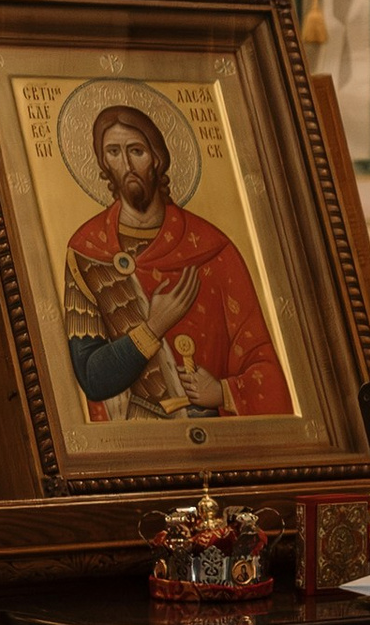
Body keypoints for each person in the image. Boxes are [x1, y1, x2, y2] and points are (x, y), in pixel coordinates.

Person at [63, 99, 291, 421]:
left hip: (215, 442)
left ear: (158, 159)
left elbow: (265, 364)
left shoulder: (214, 250)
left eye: (136, 151)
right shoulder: (87, 253)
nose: (126, 164)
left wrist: (224, 392)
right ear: (103, 163)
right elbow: (92, 378)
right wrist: (154, 326)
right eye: (113, 152)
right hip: (136, 442)